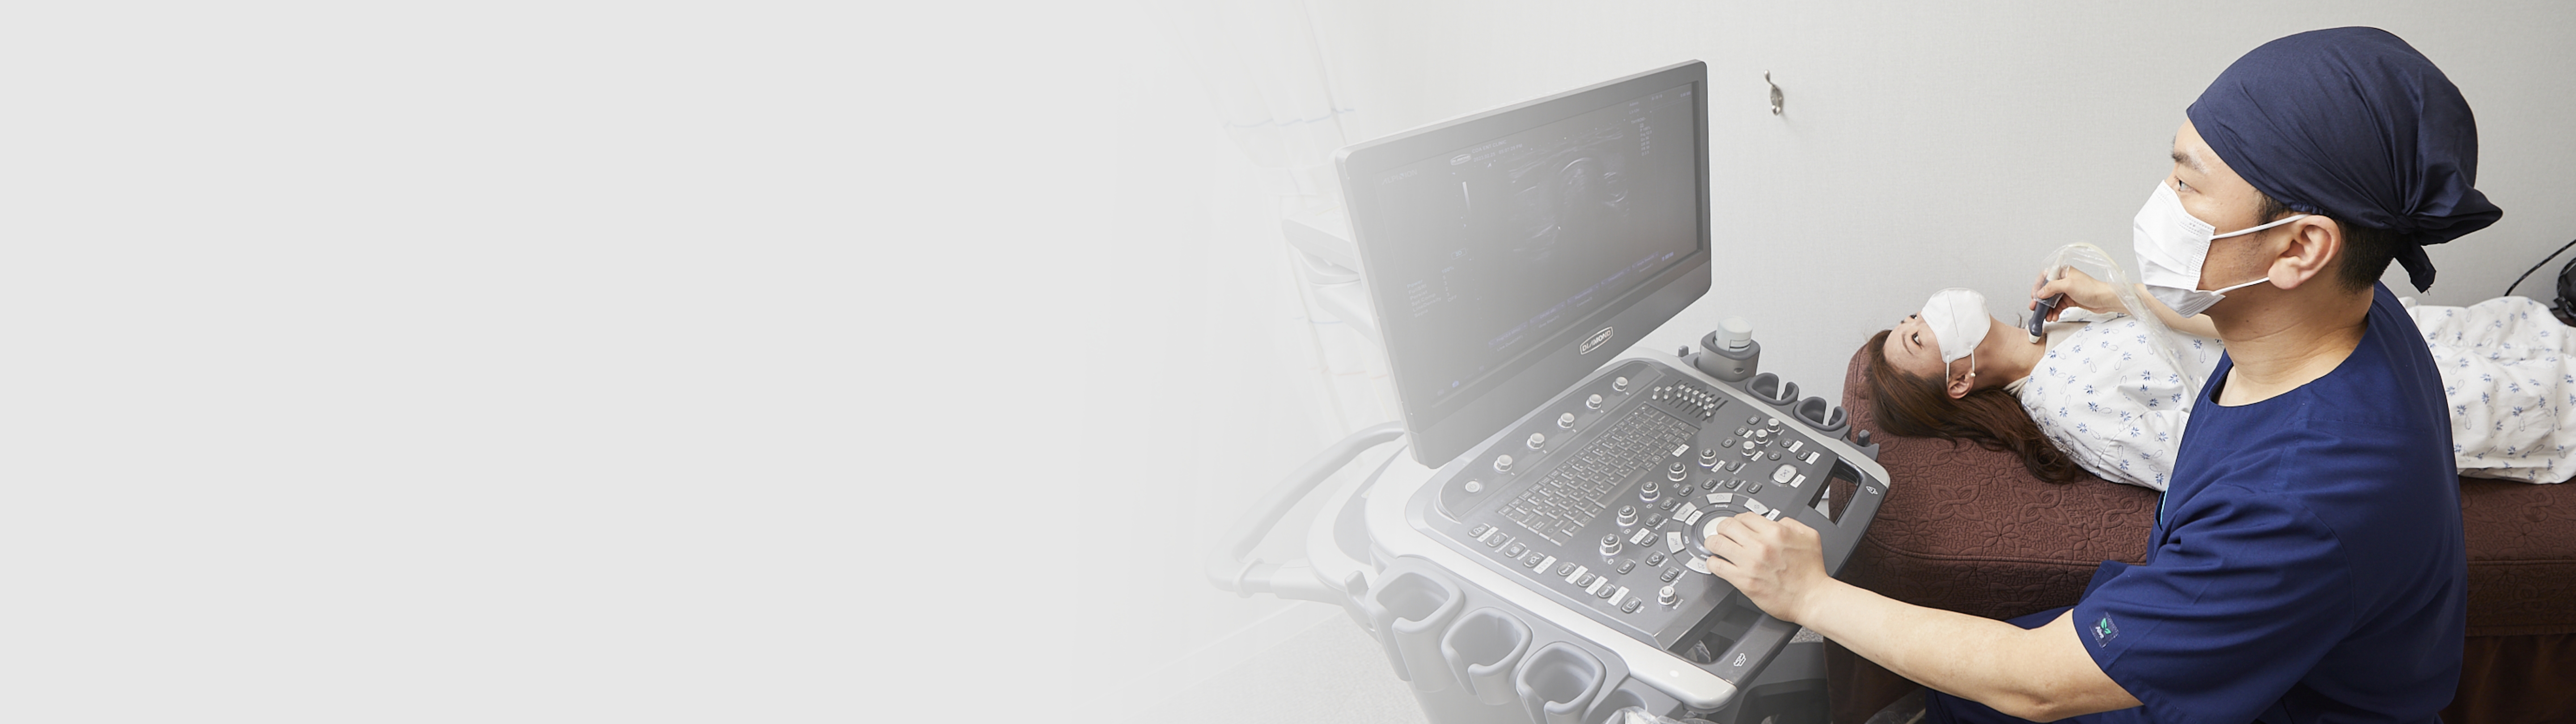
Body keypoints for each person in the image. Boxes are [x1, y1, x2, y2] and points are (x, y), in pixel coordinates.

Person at [1702, 28, 2492, 723]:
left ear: (2300, 249)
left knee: (1984, 692)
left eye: (2187, 185)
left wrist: (1810, 594)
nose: (2162, 204)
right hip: (2238, 642)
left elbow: (2036, 684)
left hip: (2263, 702)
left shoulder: (2299, 507)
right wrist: (2130, 300)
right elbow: (2236, 312)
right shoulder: (2357, 305)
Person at [1864, 281, 2572, 490]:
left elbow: (2207, 319)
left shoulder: (2066, 326)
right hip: (2327, 395)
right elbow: (2202, 460)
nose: (1923, 316)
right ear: (1959, 382)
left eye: (1909, 319)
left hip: (2327, 329)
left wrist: (2119, 297)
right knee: (2536, 394)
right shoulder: (2063, 404)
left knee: (2518, 328)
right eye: (1918, 338)